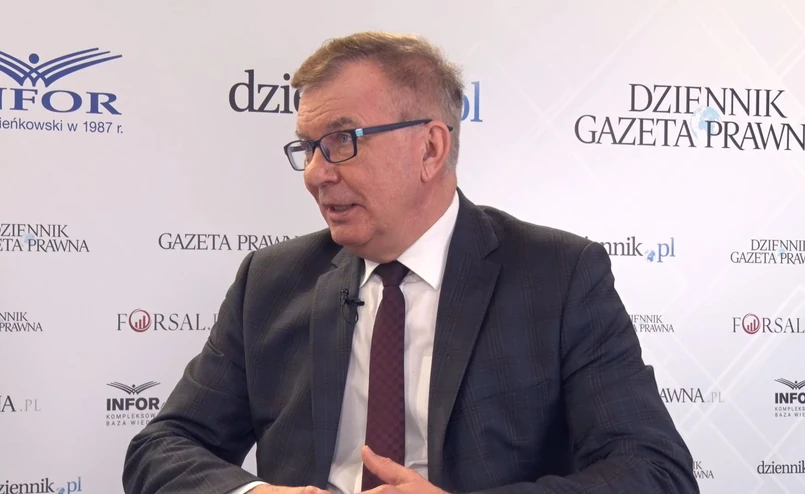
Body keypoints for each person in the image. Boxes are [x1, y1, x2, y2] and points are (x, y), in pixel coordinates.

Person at [122, 31, 698, 494]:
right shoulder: (271, 281)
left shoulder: (559, 276)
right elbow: (161, 449)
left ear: (430, 148)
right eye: (308, 147)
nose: (316, 173)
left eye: (342, 139)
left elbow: (653, 470)